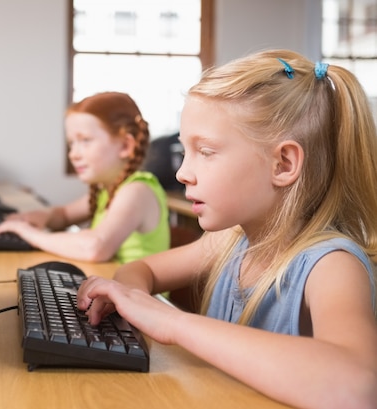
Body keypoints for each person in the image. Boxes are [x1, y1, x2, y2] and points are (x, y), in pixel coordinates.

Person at [76, 49, 377, 409]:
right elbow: (141, 270)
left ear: (283, 164)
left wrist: (173, 323)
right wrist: (134, 299)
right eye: (185, 152)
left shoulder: (331, 265)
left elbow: (359, 386)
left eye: (205, 151)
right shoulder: (230, 241)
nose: (182, 173)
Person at [0, 91, 169, 263]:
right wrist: (43, 216)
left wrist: (29, 233)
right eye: (71, 143)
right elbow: (64, 215)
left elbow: (95, 247)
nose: (73, 154)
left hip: (138, 292)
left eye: (85, 140)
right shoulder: (108, 189)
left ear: (125, 145)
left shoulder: (137, 190)